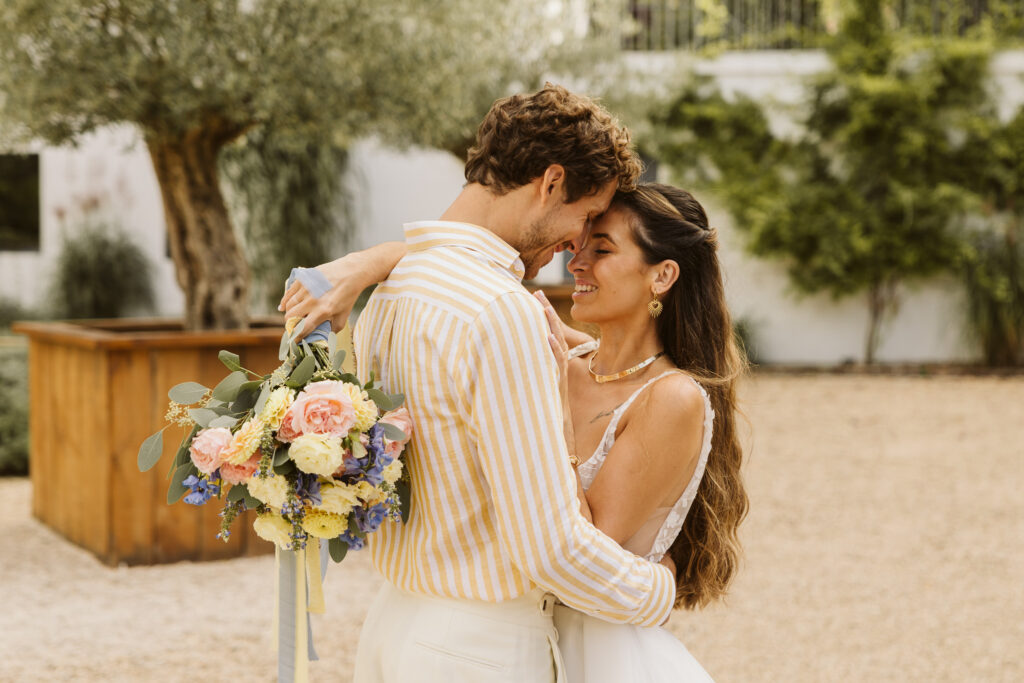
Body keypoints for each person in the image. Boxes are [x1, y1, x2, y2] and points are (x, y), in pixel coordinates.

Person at [281, 84, 681, 683]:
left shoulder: (389, 293)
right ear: (550, 182)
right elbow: (549, 547)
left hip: (392, 627)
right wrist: (657, 591)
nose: (576, 242)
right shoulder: (500, 310)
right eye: (585, 214)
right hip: (479, 649)